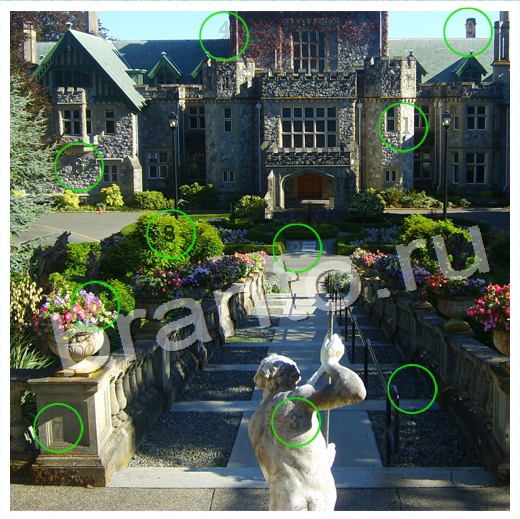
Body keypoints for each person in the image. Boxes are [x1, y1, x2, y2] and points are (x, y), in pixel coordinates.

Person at [248, 333, 366, 511]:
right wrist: (331, 363)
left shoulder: (254, 422)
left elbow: (282, 464)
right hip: (314, 498)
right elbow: (355, 392)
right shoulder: (296, 398)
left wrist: (322, 459)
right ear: (292, 376)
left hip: (281, 501)